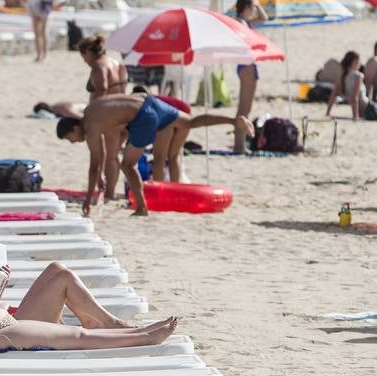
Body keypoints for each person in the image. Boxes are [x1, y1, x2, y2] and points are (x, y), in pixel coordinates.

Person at [0, 238, 178, 351]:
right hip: (2, 333)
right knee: (77, 336)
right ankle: (144, 337)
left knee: (59, 272)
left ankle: (114, 325)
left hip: (6, 324)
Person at [56, 93, 253, 216]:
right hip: (149, 101)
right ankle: (235, 121)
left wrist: (88, 200)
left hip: (143, 118)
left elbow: (94, 164)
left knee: (127, 165)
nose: (73, 141)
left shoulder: (90, 129)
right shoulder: (91, 113)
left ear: (74, 128)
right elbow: (100, 157)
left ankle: (142, 208)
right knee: (190, 122)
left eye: (70, 138)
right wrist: (100, 176)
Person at [78, 33, 128, 200]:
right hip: (123, 113)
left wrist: (93, 115)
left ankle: (109, 192)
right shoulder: (117, 64)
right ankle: (109, 190)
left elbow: (102, 90)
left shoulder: (99, 66)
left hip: (108, 115)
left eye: (82, 55)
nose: (83, 60)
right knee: (112, 156)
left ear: (88, 52)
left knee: (102, 154)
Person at [230, 0, 268, 154]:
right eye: (252, 7)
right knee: (244, 108)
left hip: (248, 65)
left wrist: (257, 4)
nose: (254, 10)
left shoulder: (244, 21)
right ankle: (238, 145)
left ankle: (240, 144)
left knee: (246, 107)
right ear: (246, 7)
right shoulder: (239, 22)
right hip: (246, 65)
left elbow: (264, 18)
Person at [327, 51, 368, 120]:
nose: (360, 63)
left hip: (362, 112)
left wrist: (328, 112)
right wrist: (356, 116)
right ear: (354, 62)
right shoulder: (359, 76)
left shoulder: (342, 77)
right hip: (368, 108)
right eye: (359, 61)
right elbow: (354, 97)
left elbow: (333, 95)